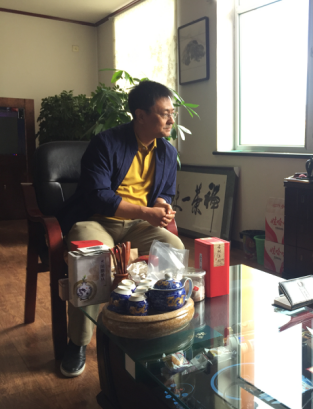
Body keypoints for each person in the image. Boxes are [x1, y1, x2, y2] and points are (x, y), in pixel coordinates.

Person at [57, 80, 185, 377]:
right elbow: (98, 196)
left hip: (138, 225)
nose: (171, 119)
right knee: (91, 259)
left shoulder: (166, 152)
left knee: (173, 247)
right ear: (140, 115)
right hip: (97, 220)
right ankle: (78, 342)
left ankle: (155, 325)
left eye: (172, 112)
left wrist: (162, 207)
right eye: (164, 113)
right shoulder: (105, 143)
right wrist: (146, 212)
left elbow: (165, 192)